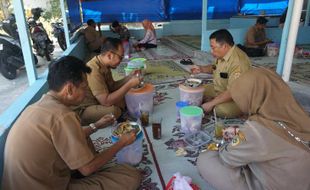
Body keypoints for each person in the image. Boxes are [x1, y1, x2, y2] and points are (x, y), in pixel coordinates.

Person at [2, 56, 142, 190]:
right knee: (130, 175)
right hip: (47, 186)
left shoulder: (38, 106)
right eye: (84, 88)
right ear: (69, 89)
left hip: (23, 184)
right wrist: (122, 142)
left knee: (83, 139)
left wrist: (96, 125)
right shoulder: (63, 115)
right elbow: (87, 169)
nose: (86, 92)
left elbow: (65, 137)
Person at [197, 67, 310, 190]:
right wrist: (241, 132)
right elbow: (279, 134)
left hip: (276, 185)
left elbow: (228, 159)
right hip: (300, 181)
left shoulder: (256, 129)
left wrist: (230, 143)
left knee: (206, 160)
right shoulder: (297, 113)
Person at [74, 37, 142, 125]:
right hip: (85, 109)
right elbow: (106, 101)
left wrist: (130, 77)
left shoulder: (104, 64)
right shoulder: (93, 69)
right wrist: (129, 84)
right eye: (120, 57)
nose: (121, 61)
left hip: (99, 99)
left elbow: (112, 86)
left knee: (126, 96)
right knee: (114, 111)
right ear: (110, 55)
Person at [191, 29, 251, 118]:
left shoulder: (238, 62)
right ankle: (214, 100)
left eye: (213, 47)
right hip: (220, 89)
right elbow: (215, 67)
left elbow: (232, 92)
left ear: (224, 46)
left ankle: (218, 102)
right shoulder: (223, 54)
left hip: (238, 98)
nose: (211, 51)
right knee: (196, 91)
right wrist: (201, 69)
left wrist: (211, 103)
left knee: (219, 110)